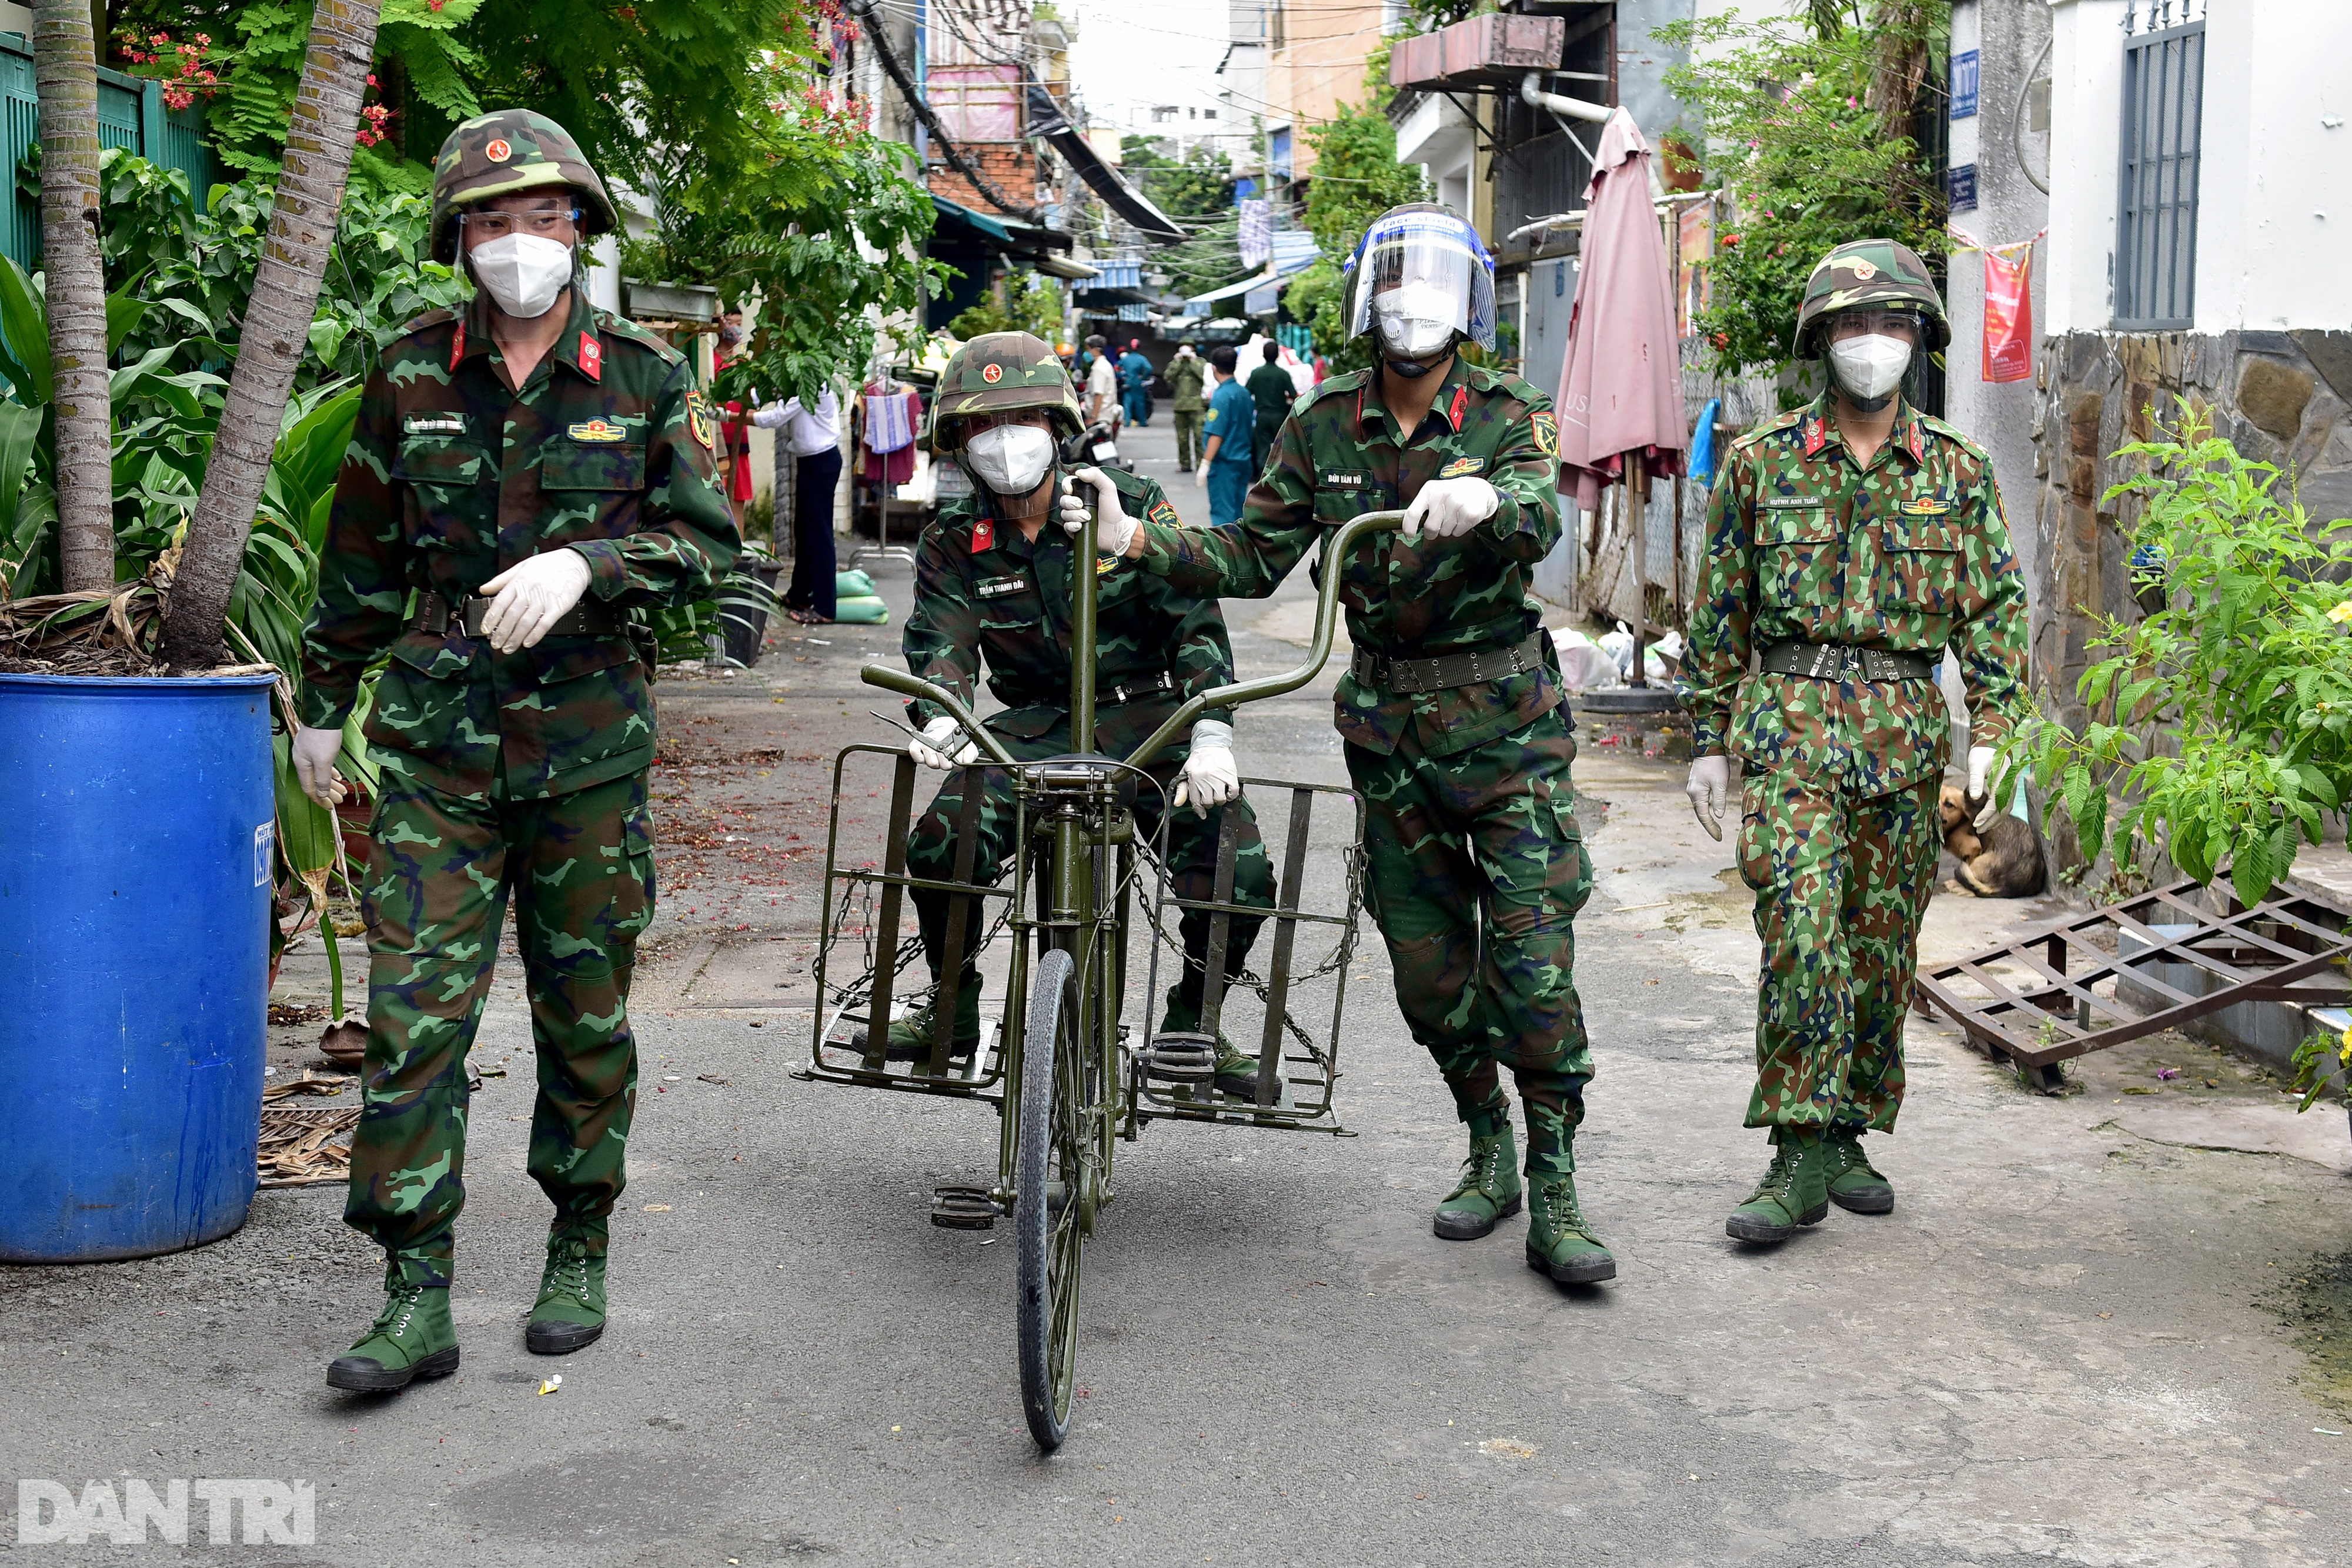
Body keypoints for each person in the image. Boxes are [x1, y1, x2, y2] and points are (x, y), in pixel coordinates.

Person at [1070, 203, 1613, 1286]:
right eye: (1396, 288)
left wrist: (1482, 495)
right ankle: (1485, 1139)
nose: (1414, 310)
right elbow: (1251, 549)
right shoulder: (1321, 424)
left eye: (1434, 290)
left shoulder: (1510, 411)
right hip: (1392, 740)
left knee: (1533, 962)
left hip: (1508, 734)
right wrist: (1140, 538)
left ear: (1467, 306)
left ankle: (1555, 1178)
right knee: (1427, 975)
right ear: (1368, 303)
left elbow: (1537, 510)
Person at [290, 109, 740, 1392]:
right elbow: (361, 556)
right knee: (413, 1019)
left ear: (580, 230)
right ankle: (413, 1290)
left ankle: (578, 1243)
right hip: (438, 744)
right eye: (490, 222)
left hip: (588, 747)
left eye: (542, 217)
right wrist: (324, 706)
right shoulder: (410, 371)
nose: (518, 241)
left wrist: (590, 561)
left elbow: (710, 551)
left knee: (582, 1011)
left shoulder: (648, 378)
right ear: (458, 241)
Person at [1681, 238, 2026, 1245]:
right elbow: (1721, 611)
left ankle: (1846, 1128)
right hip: (1790, 731)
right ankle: (1794, 1151)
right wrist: (1708, 735)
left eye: (1890, 325)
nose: (1870, 343)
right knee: (1802, 935)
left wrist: (1993, 731)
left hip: (1906, 739)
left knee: (1879, 951)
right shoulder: (1760, 464)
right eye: (1850, 326)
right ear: (1822, 342)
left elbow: (1996, 608)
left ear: (1920, 340)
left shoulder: (1957, 470)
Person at [877, 332, 1278, 1097]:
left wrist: (1211, 732)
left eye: (1024, 415)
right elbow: (945, 644)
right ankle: (953, 1008)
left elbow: (1194, 624)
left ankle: (1195, 1019)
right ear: (959, 442)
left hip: (1150, 726)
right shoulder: (954, 540)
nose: (1005, 439)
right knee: (939, 844)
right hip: (1028, 730)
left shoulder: (1122, 503)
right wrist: (944, 716)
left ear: (1058, 422)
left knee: (1242, 869)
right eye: (984, 424)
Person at [750, 387, 843, 623]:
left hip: (821, 462)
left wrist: (727, 416)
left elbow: (776, 417)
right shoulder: (797, 379)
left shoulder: (811, 382)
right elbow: (765, 393)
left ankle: (825, 608)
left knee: (819, 534)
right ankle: (798, 595)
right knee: (803, 530)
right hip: (812, 461)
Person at [1197, 345, 1256, 526]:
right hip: (1243, 460)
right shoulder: (1244, 393)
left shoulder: (1222, 396)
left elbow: (1216, 434)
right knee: (1238, 514)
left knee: (1223, 516)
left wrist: (1205, 463)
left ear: (1214, 368)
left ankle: (1226, 554)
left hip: (1224, 465)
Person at [1246, 340, 1295, 476]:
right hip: (1280, 415)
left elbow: (1247, 392)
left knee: (1262, 445)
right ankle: (1280, 473)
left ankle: (1262, 474)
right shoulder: (1283, 374)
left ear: (1263, 355)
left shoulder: (1256, 373)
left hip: (1262, 415)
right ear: (1278, 355)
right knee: (1281, 446)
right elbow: (1292, 394)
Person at [1165, 343, 1208, 473]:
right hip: (1180, 406)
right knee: (1182, 439)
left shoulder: (1201, 362)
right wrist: (1178, 362)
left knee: (1199, 437)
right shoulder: (1175, 363)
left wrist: (1193, 361)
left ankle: (1201, 464)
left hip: (1197, 406)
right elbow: (1167, 377)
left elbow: (1204, 378)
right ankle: (1185, 464)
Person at [1083, 332, 1119, 429]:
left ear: (1096, 350)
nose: (1087, 353)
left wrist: (1093, 417)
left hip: (1100, 418)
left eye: (1088, 349)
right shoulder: (1105, 365)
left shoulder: (1099, 368)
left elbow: (1099, 394)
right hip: (1106, 416)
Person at [1118, 337, 1154, 427]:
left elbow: (1117, 367)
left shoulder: (1126, 359)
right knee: (1140, 403)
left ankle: (1127, 421)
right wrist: (1143, 377)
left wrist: (1122, 376)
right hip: (1138, 383)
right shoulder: (1142, 359)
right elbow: (1149, 368)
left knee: (1127, 403)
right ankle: (1143, 422)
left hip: (1128, 382)